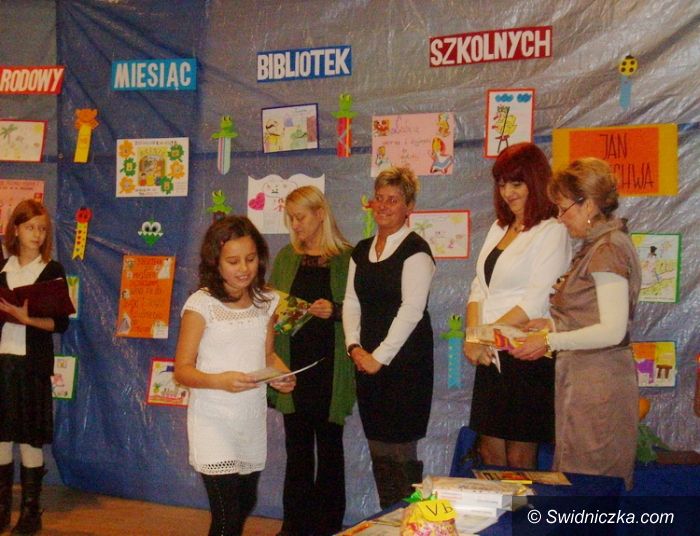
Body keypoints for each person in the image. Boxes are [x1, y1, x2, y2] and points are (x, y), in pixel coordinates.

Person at [512, 157, 642, 489]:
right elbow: (589, 315)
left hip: (598, 383)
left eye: (564, 208)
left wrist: (549, 341)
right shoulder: (599, 246)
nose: (560, 217)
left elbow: (612, 330)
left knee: (589, 484)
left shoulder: (607, 249)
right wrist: (551, 325)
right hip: (585, 380)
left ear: (589, 205)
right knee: (578, 480)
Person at [174, 215, 295, 536]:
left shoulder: (266, 301)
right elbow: (183, 369)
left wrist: (281, 376)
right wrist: (220, 381)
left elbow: (267, 355)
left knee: (245, 503)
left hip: (249, 420)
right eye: (233, 261)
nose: (244, 268)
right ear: (215, 262)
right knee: (227, 514)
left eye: (250, 259)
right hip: (213, 420)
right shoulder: (201, 304)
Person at [464, 142, 571, 469]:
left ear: (535, 182)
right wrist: (472, 336)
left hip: (527, 354)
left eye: (516, 183)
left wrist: (481, 336)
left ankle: (521, 508)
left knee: (519, 459)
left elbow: (536, 302)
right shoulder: (499, 227)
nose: (508, 192)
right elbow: (479, 287)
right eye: (501, 184)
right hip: (490, 354)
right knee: (488, 453)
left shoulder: (552, 230)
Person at [343, 166, 435, 509]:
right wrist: (354, 346)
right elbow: (351, 301)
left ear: (409, 207)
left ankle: (410, 522)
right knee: (378, 450)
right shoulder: (361, 250)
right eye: (378, 198)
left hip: (404, 365)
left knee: (400, 452)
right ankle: (389, 518)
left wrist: (378, 358)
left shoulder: (416, 250)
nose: (382, 206)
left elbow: (412, 310)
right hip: (366, 361)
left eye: (392, 200)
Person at [269, 186, 354, 536]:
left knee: (330, 450)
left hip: (331, 370)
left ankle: (327, 527)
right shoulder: (286, 258)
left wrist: (335, 310)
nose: (295, 224)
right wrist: (280, 313)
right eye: (291, 218)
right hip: (293, 369)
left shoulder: (347, 258)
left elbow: (363, 312)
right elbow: (270, 308)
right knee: (297, 451)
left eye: (300, 217)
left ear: (320, 214)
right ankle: (293, 526)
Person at [0, 200, 71, 535]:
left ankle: (31, 512)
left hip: (32, 365)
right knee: (1, 437)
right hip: (3, 362)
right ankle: (2, 509)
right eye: (30, 227)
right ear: (15, 229)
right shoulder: (3, 268)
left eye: (42, 228)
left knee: (30, 439)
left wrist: (26, 318)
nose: (37, 234)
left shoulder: (51, 270)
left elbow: (60, 324)